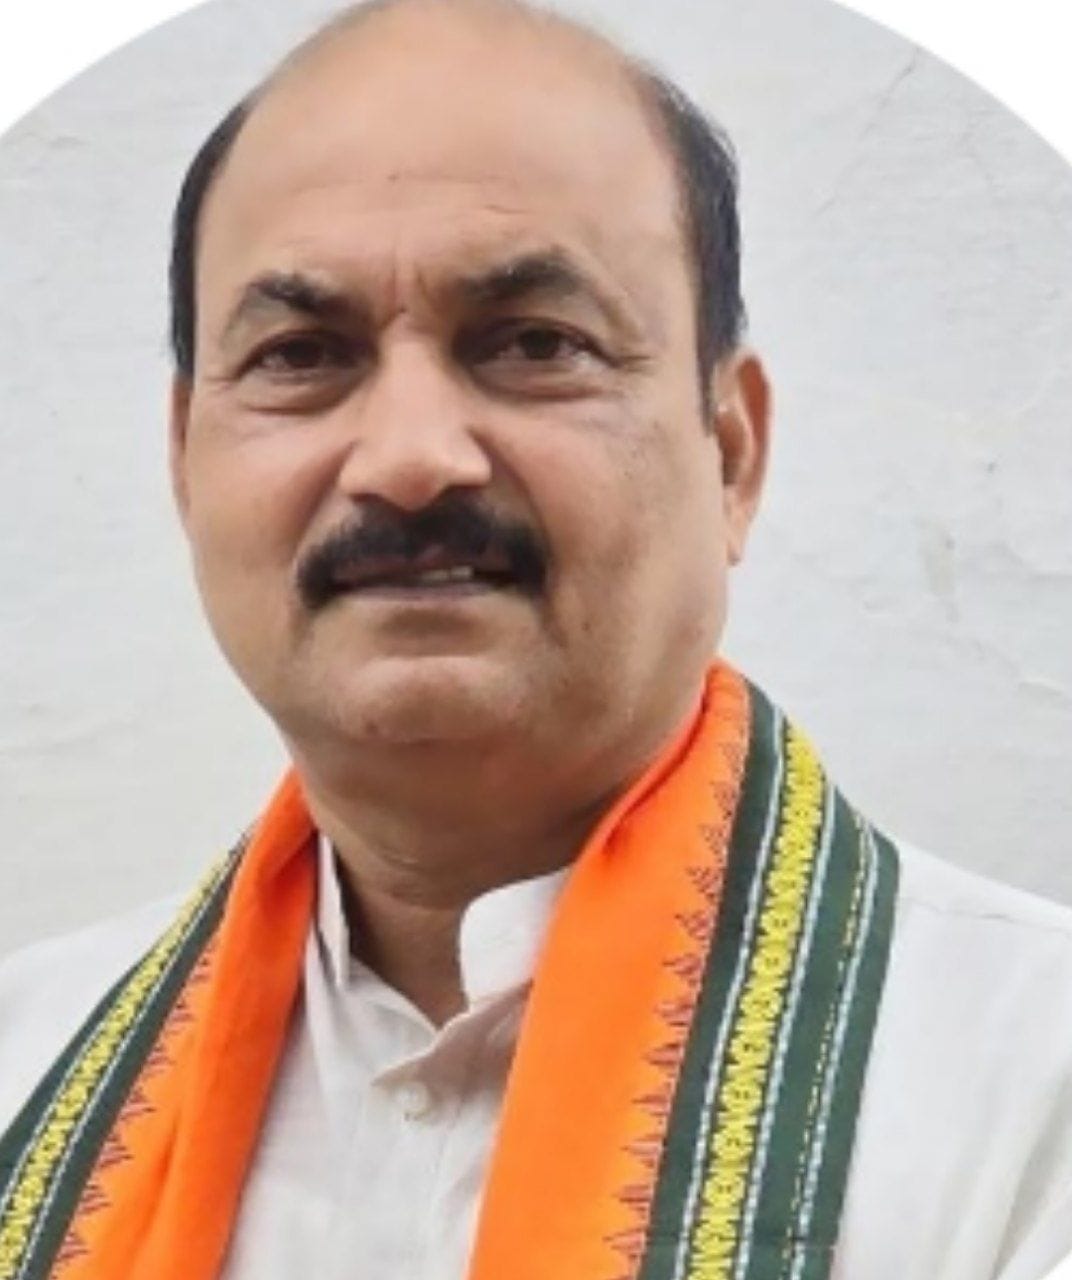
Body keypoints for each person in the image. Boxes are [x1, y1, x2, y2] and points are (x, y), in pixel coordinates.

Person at [1, 1, 1072, 1277]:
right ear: (186, 462)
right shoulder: (23, 1059)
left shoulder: (1028, 1089)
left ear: (730, 453)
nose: (409, 458)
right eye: (301, 354)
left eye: (532, 343)